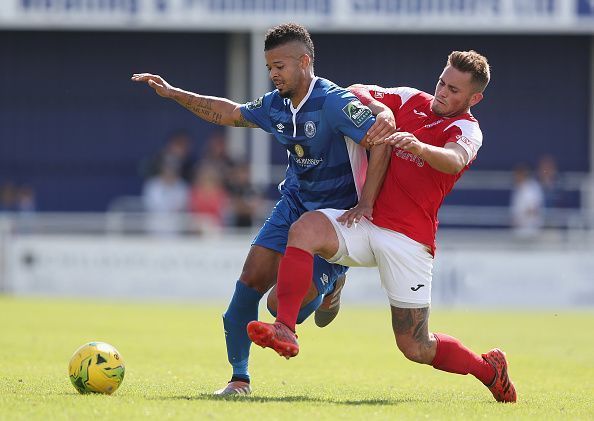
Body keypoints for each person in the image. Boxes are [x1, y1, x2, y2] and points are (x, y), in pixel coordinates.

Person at [132, 23, 396, 396]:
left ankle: (331, 285)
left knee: (278, 305)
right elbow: (230, 113)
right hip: (293, 204)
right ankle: (239, 380)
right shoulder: (276, 105)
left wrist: (366, 202)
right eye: (269, 67)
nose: (273, 74)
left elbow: (380, 141)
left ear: (305, 62)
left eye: (280, 66)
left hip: (334, 220)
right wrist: (174, 93)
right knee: (248, 283)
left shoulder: (334, 102)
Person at [249, 51, 517, 403]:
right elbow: (356, 90)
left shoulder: (466, 129)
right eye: (441, 82)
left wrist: (420, 147)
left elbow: (454, 161)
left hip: (408, 240)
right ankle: (285, 327)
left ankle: (489, 370)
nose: (442, 92)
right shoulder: (410, 99)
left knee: (415, 346)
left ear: (474, 98)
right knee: (305, 230)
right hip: (364, 218)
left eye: (454, 89)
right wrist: (383, 111)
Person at [510, 163, 544, 238]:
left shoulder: (532, 188)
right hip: (519, 231)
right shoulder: (518, 188)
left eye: (518, 175)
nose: (516, 177)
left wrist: (520, 219)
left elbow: (534, 209)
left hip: (530, 231)